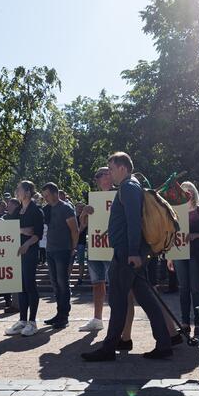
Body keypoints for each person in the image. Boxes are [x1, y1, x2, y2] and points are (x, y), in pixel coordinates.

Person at [82, 152, 173, 361]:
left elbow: (134, 222)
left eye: (111, 169)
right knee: (146, 299)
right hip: (128, 252)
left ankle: (109, 348)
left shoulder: (129, 187)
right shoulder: (129, 187)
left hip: (126, 254)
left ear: (122, 168)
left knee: (117, 300)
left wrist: (132, 252)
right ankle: (164, 343)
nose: (110, 174)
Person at [169, 181, 199, 340]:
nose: (186, 194)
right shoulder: (174, 212)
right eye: (183, 191)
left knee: (195, 289)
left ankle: (198, 324)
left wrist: (197, 236)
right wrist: (169, 256)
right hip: (179, 255)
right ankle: (184, 323)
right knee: (183, 289)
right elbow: (169, 235)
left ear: (194, 193)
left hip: (196, 255)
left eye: (189, 191)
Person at [5, 181, 45, 336]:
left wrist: (26, 244)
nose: (16, 191)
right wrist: (22, 230)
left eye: (19, 189)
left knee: (30, 285)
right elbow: (12, 228)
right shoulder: (18, 210)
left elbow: (37, 234)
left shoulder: (36, 210)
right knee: (20, 286)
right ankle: (22, 320)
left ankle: (32, 322)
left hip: (29, 251)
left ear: (27, 192)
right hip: (18, 252)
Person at [77, 167, 113, 332]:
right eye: (100, 175)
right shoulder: (93, 200)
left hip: (113, 248)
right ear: (97, 180)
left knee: (116, 286)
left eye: (107, 173)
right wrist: (84, 212)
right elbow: (82, 225)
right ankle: (97, 319)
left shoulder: (120, 195)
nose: (104, 177)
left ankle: (117, 319)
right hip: (96, 246)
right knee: (97, 284)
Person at [41, 182, 78, 329]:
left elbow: (75, 230)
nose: (45, 198)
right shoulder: (48, 209)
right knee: (55, 284)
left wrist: (73, 248)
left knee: (63, 284)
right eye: (44, 196)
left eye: (47, 195)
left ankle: (64, 316)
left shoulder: (66, 208)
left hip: (63, 250)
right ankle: (59, 314)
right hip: (50, 250)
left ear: (55, 193)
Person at [74, 203, 87, 285]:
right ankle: (67, 278)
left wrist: (74, 233)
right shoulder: (73, 217)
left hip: (81, 242)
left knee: (81, 261)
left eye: (81, 207)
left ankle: (80, 278)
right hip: (72, 242)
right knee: (70, 262)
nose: (79, 209)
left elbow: (82, 229)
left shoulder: (84, 218)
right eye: (78, 207)